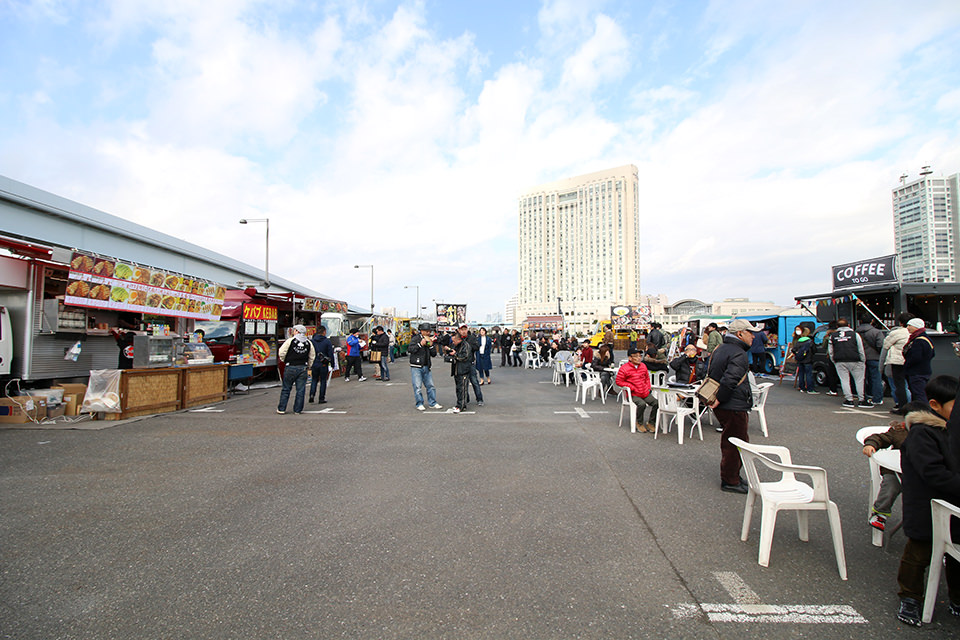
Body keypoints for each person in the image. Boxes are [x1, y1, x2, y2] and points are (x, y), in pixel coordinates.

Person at [894, 375, 960, 627]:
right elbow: (933, 473)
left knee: (955, 554)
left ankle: (957, 598)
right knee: (919, 552)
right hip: (927, 504)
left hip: (952, 504)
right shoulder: (924, 433)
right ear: (934, 405)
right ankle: (909, 597)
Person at [707, 318, 759, 494]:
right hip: (732, 404)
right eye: (750, 332)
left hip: (727, 403)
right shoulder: (738, 353)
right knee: (735, 443)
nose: (753, 336)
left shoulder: (721, 348)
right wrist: (720, 398)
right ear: (740, 334)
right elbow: (730, 380)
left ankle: (734, 476)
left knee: (733, 441)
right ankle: (730, 480)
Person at [862, 401, 928, 531]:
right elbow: (879, 438)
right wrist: (870, 444)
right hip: (896, 471)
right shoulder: (898, 431)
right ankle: (880, 513)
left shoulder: (931, 432)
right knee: (891, 484)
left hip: (921, 472)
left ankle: (930, 520)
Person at [615, 348, 658, 433]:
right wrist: (630, 386)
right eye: (636, 356)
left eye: (640, 356)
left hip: (644, 392)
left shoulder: (643, 366)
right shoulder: (624, 368)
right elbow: (619, 381)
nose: (639, 358)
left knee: (656, 403)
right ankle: (639, 423)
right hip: (633, 394)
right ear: (630, 358)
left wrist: (648, 387)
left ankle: (651, 423)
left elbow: (647, 378)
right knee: (641, 404)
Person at [828, 318, 867, 408]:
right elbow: (860, 348)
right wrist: (862, 360)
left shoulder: (833, 336)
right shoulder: (855, 335)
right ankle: (862, 400)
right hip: (855, 359)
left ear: (837, 326)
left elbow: (830, 351)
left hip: (840, 360)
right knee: (859, 380)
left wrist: (834, 360)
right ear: (848, 325)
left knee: (844, 380)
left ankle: (849, 400)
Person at [277, 324, 315, 415]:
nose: (293, 332)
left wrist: (285, 360)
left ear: (297, 331)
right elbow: (312, 356)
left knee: (286, 389)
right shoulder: (308, 343)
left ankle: (281, 409)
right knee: (300, 390)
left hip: (290, 366)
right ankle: (297, 410)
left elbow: (281, 352)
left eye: (294, 330)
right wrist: (309, 366)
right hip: (303, 368)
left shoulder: (290, 341)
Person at [408, 324, 443, 411]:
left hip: (426, 366)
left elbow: (434, 354)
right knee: (417, 386)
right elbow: (410, 349)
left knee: (430, 386)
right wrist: (420, 344)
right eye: (427, 331)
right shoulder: (416, 339)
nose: (428, 333)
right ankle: (419, 403)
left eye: (429, 331)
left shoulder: (430, 339)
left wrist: (431, 346)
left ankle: (432, 402)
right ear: (422, 331)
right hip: (416, 366)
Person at [882, 313, 912, 413]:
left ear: (900, 322)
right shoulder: (914, 333)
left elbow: (886, 345)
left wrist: (881, 366)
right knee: (909, 385)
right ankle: (911, 404)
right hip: (911, 361)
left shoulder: (896, 333)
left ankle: (902, 406)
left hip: (897, 361)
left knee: (900, 385)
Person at [903, 318, 935, 406]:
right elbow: (932, 354)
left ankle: (923, 412)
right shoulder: (926, 339)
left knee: (919, 394)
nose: (907, 328)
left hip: (916, 372)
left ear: (916, 327)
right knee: (919, 393)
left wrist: (907, 365)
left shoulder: (919, 340)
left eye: (910, 325)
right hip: (924, 370)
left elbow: (915, 357)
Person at [857, 318, 885, 406]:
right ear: (872, 321)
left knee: (862, 379)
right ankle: (877, 398)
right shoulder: (876, 332)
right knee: (876, 379)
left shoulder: (856, 332)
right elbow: (881, 345)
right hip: (875, 357)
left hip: (861, 358)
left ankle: (864, 396)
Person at [446, 331, 473, 413]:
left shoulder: (466, 346)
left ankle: (461, 406)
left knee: (463, 389)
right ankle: (460, 404)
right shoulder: (456, 345)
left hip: (463, 370)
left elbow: (464, 357)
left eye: (454, 341)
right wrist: (449, 350)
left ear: (458, 340)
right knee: (458, 388)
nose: (453, 343)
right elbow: (453, 353)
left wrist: (455, 354)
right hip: (457, 370)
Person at [458, 325, 484, 406]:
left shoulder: (471, 338)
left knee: (474, 382)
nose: (463, 331)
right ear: (459, 330)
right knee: (463, 383)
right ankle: (466, 398)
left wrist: (468, 345)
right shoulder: (458, 338)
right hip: (461, 364)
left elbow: (477, 347)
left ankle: (479, 399)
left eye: (465, 329)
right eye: (462, 330)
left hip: (470, 363)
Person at [309, 325, 335, 404]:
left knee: (314, 380)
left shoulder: (312, 341)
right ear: (324, 332)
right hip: (323, 363)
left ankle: (312, 395)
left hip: (314, 363)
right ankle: (321, 398)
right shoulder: (327, 341)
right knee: (323, 381)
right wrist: (332, 364)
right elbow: (330, 353)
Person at [792, 326, 817, 394]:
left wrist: (797, 354)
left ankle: (802, 388)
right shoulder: (810, 341)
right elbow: (814, 350)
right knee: (808, 374)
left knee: (801, 374)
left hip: (800, 360)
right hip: (808, 360)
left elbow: (793, 350)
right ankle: (810, 389)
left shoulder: (799, 341)